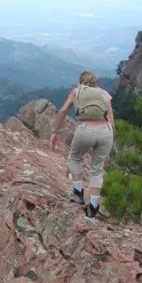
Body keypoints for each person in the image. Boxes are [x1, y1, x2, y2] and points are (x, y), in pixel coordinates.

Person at [50, 71, 115, 218]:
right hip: (105, 131)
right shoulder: (105, 94)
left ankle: (78, 194)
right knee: (97, 169)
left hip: (85, 130)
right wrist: (111, 144)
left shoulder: (76, 91)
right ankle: (93, 205)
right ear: (95, 82)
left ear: (81, 82)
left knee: (75, 158)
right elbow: (111, 119)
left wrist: (55, 131)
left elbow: (63, 110)